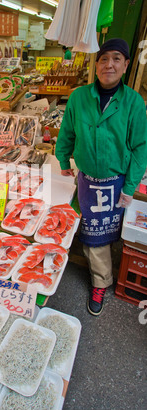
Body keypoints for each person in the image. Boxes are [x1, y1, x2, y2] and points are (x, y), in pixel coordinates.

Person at [55, 38, 147, 316]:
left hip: (115, 180)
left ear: (126, 65)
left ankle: (102, 278)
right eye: (104, 58)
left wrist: (129, 187)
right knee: (89, 229)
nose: (109, 64)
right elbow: (67, 131)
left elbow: (140, 147)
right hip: (86, 178)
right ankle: (94, 277)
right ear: (96, 65)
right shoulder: (79, 97)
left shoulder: (133, 102)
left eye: (116, 59)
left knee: (104, 231)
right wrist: (63, 159)